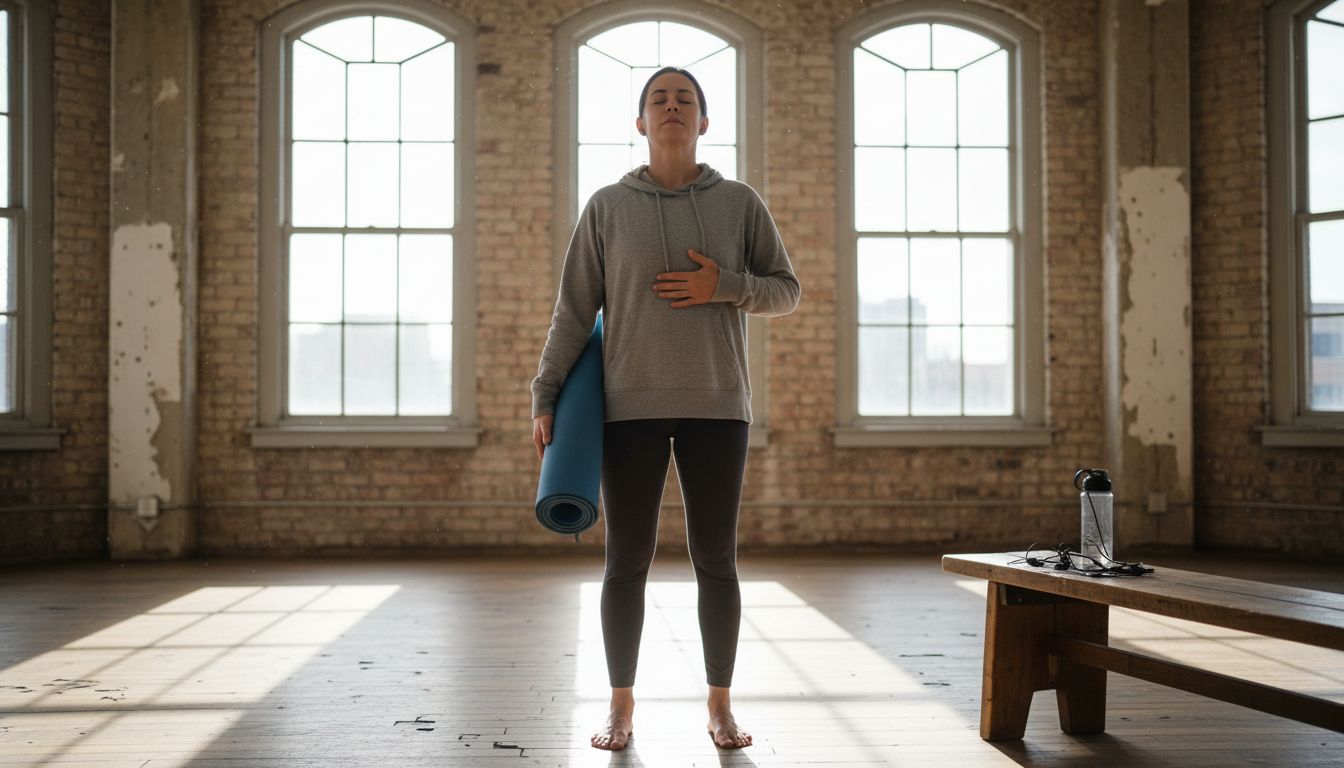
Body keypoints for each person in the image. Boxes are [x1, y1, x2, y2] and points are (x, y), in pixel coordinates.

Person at [530, 66, 801, 752]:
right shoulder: (607, 206)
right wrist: (545, 392)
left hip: (718, 404)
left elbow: (785, 290)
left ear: (704, 123)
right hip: (629, 409)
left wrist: (725, 285)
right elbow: (573, 312)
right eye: (660, 99)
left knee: (717, 559)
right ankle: (620, 706)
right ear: (641, 122)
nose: (672, 107)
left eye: (686, 100)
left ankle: (719, 704)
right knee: (627, 560)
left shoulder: (739, 203)